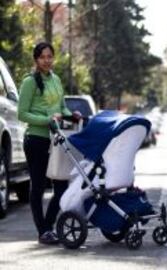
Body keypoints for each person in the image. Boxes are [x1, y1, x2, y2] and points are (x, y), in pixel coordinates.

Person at [18, 42, 81, 245]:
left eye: (49, 56)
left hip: (56, 140)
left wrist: (73, 116)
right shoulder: (30, 82)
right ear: (36, 59)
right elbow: (22, 113)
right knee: (37, 187)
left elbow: (61, 108)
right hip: (36, 139)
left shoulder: (56, 79)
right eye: (43, 57)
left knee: (61, 185)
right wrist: (47, 120)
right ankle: (43, 231)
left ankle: (48, 225)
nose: (47, 60)